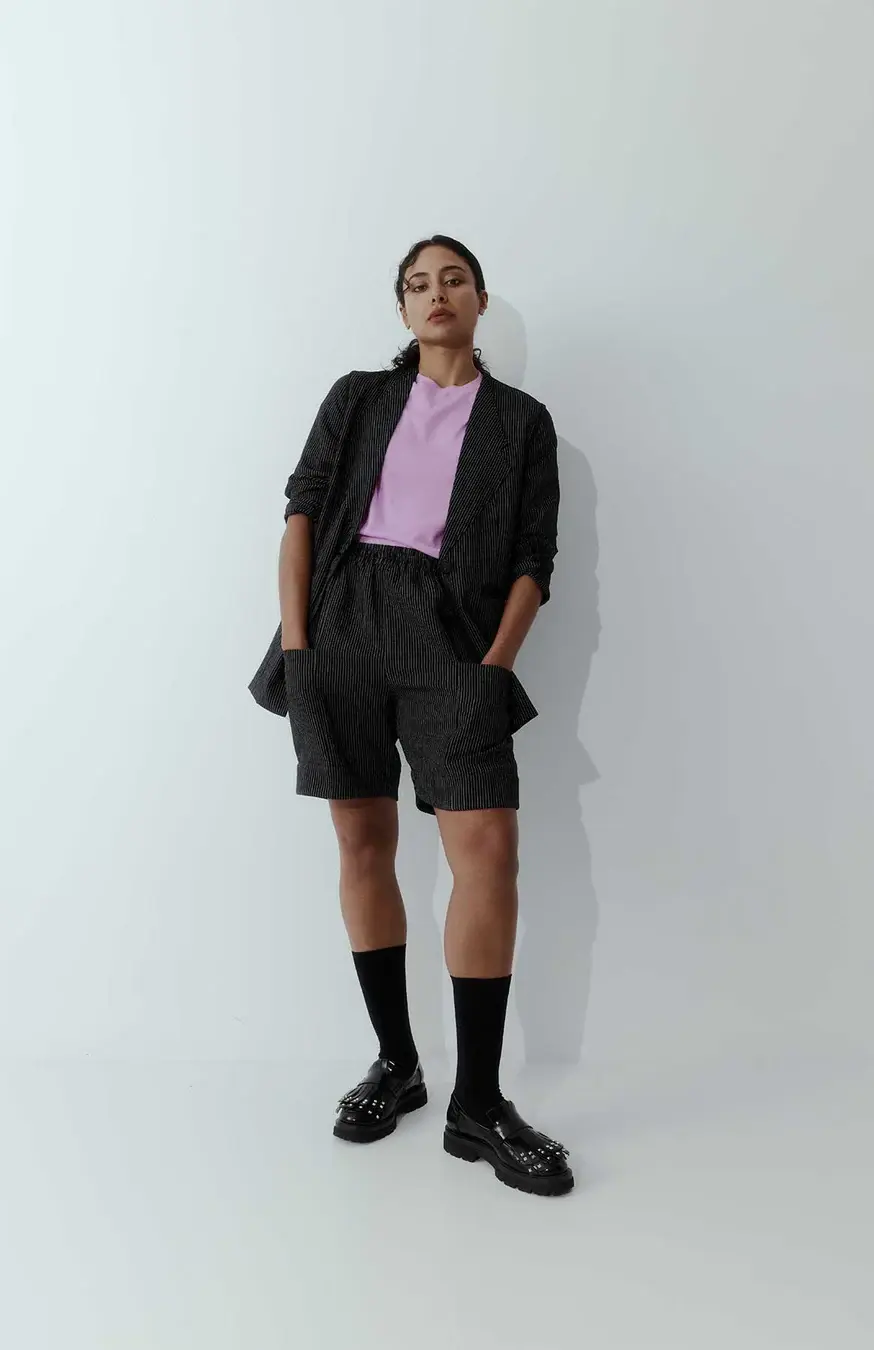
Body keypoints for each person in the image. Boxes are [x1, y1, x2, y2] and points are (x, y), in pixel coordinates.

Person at [249, 235, 573, 1196]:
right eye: (418, 284)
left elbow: (534, 558)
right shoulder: (357, 398)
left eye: (454, 280)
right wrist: (300, 647)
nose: (437, 294)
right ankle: (398, 1062)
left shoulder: (521, 421)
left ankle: (478, 1102)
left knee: (489, 850)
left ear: (481, 300)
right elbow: (303, 514)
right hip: (342, 626)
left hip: (452, 637)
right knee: (362, 842)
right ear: (401, 309)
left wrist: (494, 664)